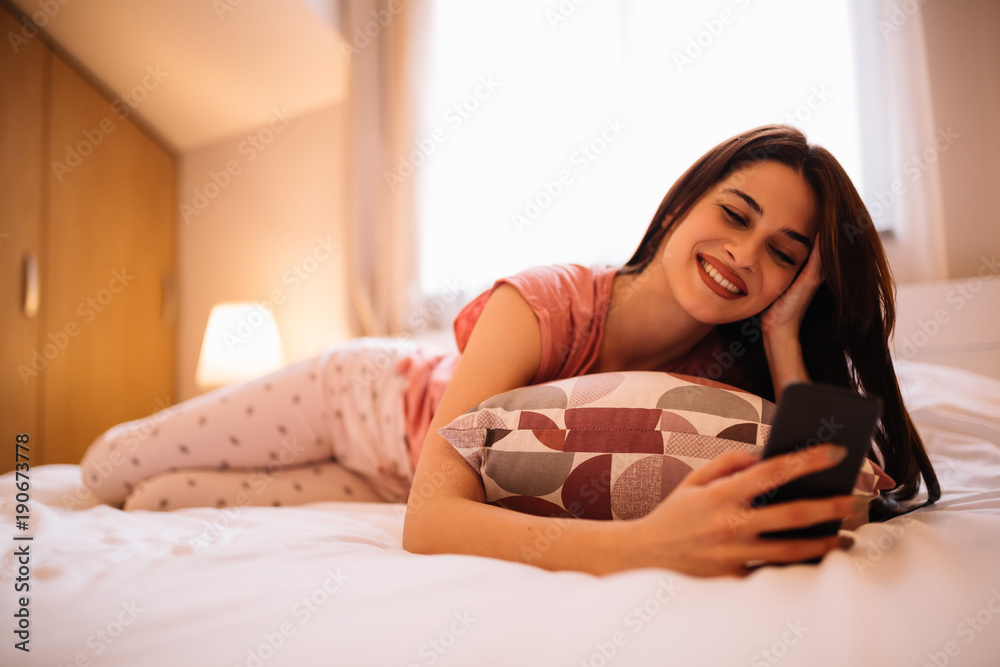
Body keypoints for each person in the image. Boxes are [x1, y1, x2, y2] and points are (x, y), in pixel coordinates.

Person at [80, 124, 939, 577]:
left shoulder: (719, 380)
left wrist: (788, 332)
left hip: (388, 475)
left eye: (786, 254)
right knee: (107, 470)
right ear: (680, 207)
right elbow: (431, 521)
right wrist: (643, 549)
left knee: (157, 502)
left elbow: (825, 492)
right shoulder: (546, 300)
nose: (747, 256)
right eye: (735, 214)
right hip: (362, 400)